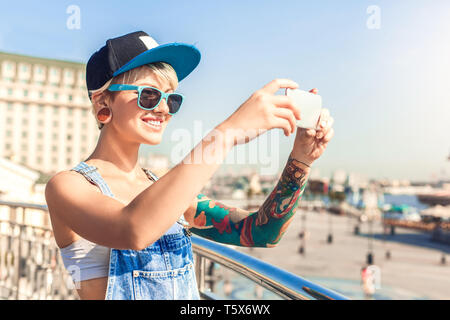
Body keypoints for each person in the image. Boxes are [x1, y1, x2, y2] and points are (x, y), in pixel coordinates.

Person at [44, 31, 335, 300]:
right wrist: (228, 134)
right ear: (102, 103)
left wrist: (301, 160)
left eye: (172, 99)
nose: (163, 109)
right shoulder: (67, 187)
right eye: (148, 95)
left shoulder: (166, 191)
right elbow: (132, 230)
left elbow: (261, 232)